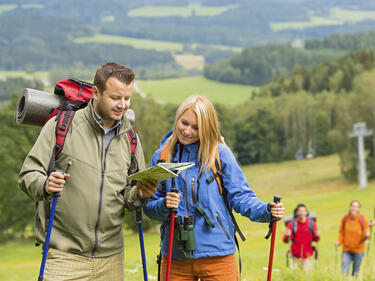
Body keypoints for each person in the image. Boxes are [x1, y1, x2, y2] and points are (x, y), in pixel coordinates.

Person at [18, 62, 157, 281]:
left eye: (127, 98)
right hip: (64, 257)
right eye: (115, 97)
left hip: (112, 259)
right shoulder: (60, 126)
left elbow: (128, 197)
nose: (123, 105)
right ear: (95, 92)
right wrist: (45, 184)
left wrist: (140, 194)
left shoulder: (131, 138)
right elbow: (28, 174)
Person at [143, 94, 285, 281]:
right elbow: (149, 208)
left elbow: (241, 197)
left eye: (196, 128)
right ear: (177, 118)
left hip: (218, 256)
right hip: (175, 256)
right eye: (184, 123)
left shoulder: (221, 154)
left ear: (206, 128)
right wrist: (164, 205)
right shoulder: (162, 157)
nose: (187, 131)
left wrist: (266, 210)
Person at [335, 200, 370, 277]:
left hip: (359, 251)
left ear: (358, 209)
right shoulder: (344, 218)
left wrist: (367, 235)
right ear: (350, 207)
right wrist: (338, 241)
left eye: (356, 207)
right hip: (346, 250)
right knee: (344, 273)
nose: (354, 208)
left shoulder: (363, 219)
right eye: (353, 206)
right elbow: (341, 233)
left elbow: (366, 237)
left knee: (355, 273)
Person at [283, 203, 320, 271]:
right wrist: (287, 236)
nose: (302, 213)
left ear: (306, 212)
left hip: (308, 256)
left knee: (307, 277)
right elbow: (285, 241)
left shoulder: (312, 224)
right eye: (300, 211)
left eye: (303, 211)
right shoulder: (291, 224)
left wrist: (317, 235)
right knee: (296, 277)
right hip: (295, 255)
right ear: (297, 213)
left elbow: (316, 239)